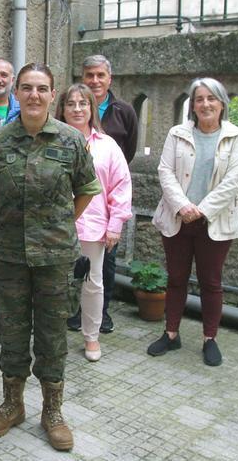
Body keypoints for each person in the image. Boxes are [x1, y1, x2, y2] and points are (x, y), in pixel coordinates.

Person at [0, 63, 101, 452]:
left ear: (53, 95)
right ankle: (13, 404)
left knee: (52, 336)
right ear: (16, 92)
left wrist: (60, 222)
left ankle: (52, 412)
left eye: (42, 89)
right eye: (27, 88)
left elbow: (86, 188)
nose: (34, 95)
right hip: (11, 257)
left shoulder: (71, 141)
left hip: (55, 259)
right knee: (12, 332)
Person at [147, 77, 238, 367]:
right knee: (176, 278)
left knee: (211, 282)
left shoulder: (236, 137)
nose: (205, 104)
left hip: (214, 221)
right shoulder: (177, 133)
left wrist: (201, 210)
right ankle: (171, 333)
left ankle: (210, 338)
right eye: (199, 99)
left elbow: (232, 182)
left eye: (211, 98)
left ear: (221, 104)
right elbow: (165, 171)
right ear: (192, 105)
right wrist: (183, 206)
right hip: (179, 218)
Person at [56, 83, 132, 362]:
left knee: (92, 283)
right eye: (71, 104)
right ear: (61, 109)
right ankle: (51, 336)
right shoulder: (50, 140)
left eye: (82, 104)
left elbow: (120, 186)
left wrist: (115, 225)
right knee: (52, 283)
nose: (77, 109)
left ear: (91, 108)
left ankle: (91, 337)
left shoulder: (107, 146)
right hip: (55, 226)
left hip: (92, 226)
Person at [68, 54, 139, 335]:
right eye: (89, 75)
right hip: (64, 222)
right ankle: (72, 314)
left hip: (100, 215)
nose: (95, 80)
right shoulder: (57, 136)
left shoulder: (122, 114)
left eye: (100, 75)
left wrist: (115, 222)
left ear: (109, 79)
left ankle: (98, 319)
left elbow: (126, 160)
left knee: (99, 273)